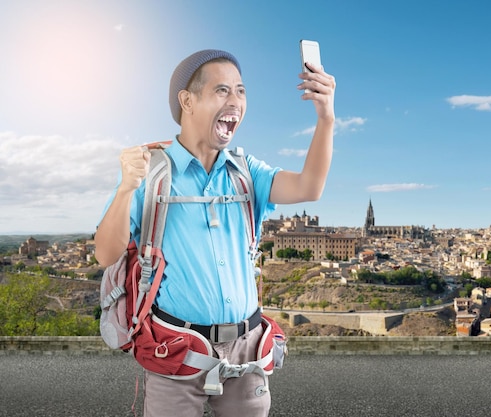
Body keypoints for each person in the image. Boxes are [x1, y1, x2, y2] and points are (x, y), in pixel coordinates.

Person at [94, 49, 335, 417]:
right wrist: (127, 187)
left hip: (248, 351)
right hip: (174, 351)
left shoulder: (245, 171)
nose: (235, 101)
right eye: (222, 90)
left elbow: (309, 187)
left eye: (241, 91)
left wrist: (326, 118)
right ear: (187, 101)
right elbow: (106, 254)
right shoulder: (150, 171)